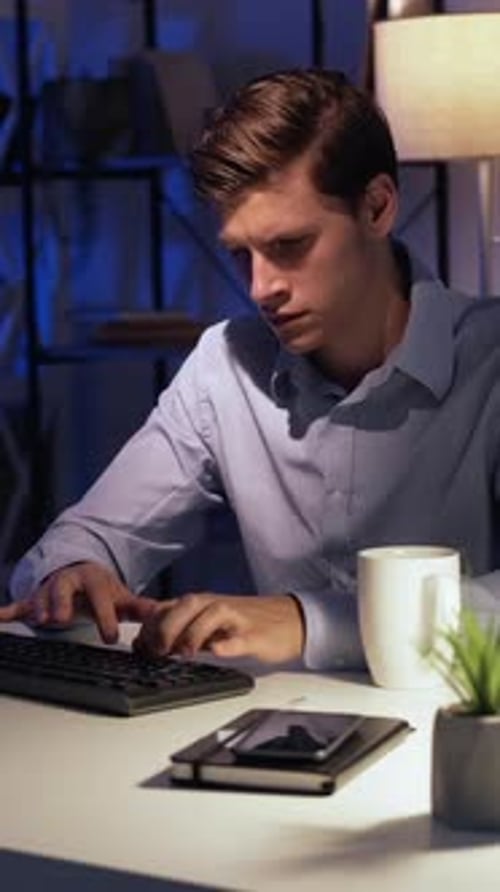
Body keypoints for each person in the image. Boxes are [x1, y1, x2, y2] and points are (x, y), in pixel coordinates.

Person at [1, 68, 499, 670]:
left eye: (289, 246)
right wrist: (74, 572)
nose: (261, 289)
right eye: (241, 254)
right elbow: (92, 534)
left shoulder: (489, 361)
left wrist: (309, 619)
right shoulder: (225, 366)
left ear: (377, 207)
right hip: (275, 735)